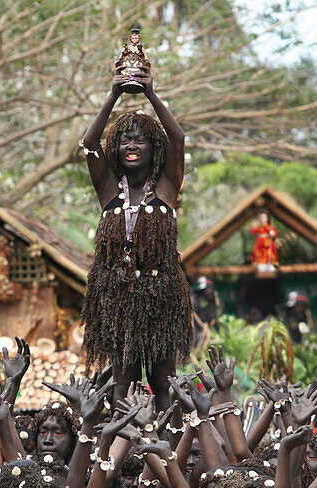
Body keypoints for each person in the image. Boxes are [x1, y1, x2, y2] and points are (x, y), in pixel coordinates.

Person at [80, 58, 191, 411]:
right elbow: (88, 142)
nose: (132, 144)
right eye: (126, 139)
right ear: (117, 149)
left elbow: (178, 137)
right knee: (122, 379)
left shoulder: (167, 187)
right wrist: (113, 94)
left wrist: (151, 93)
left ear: (152, 148)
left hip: (160, 298)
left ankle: (168, 453)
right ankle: (116, 454)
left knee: (163, 381)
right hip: (118, 299)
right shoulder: (109, 189)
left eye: (141, 139)